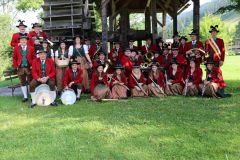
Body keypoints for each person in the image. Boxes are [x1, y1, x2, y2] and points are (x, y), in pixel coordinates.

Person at [12, 33, 36, 102]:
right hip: (20, 68)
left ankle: (32, 96)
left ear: (26, 41)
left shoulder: (31, 48)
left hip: (29, 67)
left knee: (31, 82)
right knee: (22, 82)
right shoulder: (16, 48)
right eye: (22, 40)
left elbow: (34, 58)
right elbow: (14, 58)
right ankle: (25, 97)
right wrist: (16, 66)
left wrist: (32, 65)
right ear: (20, 41)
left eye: (25, 40)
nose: (23, 41)